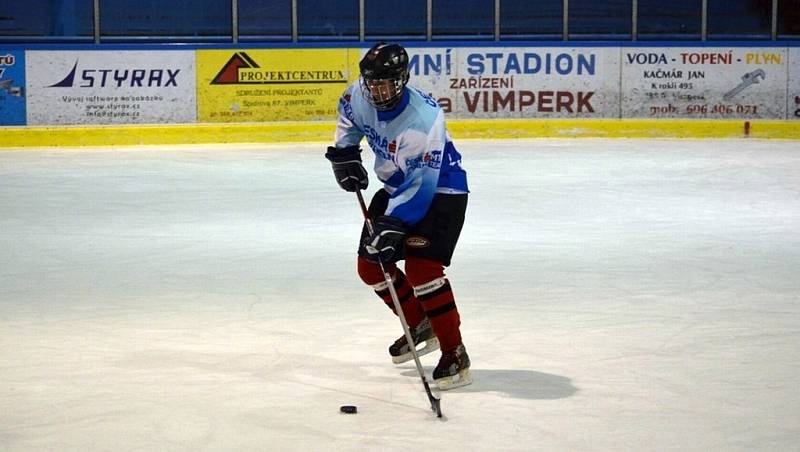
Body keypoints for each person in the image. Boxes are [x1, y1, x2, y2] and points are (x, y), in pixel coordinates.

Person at [324, 42, 471, 390]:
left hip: (440, 192)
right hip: (395, 187)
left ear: (402, 80)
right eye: (372, 83)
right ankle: (419, 323)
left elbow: (422, 185)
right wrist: (344, 154)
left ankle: (454, 352)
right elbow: (348, 114)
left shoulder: (424, 119)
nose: (377, 91)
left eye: (386, 84)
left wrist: (393, 225)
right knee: (370, 266)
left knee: (423, 271)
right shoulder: (357, 96)